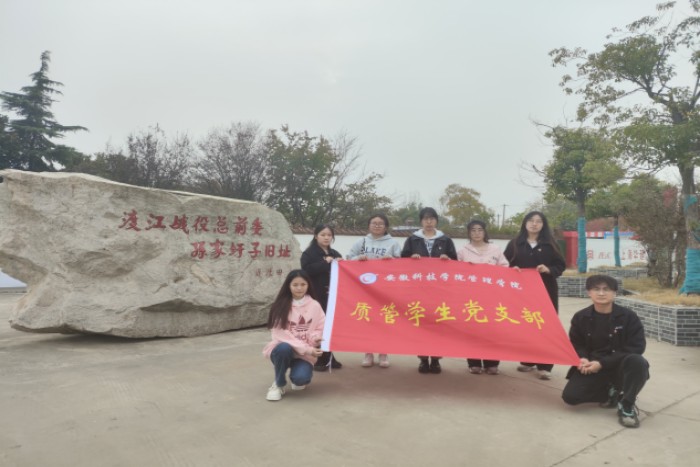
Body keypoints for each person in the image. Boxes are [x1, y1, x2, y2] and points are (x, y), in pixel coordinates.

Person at [562, 275, 649, 428]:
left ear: (614, 293)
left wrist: (602, 363)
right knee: (571, 397)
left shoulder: (628, 317)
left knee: (638, 362)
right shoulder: (581, 317)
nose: (601, 293)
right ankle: (611, 392)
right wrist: (582, 358)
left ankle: (627, 404)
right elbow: (576, 343)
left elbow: (637, 346)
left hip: (619, 365)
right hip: (592, 366)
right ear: (589, 292)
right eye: (596, 289)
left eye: (606, 289)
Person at [504, 211, 565, 380]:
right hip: (521, 293)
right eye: (531, 220)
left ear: (543, 225)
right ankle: (528, 360)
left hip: (545, 291)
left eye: (539, 221)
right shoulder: (515, 243)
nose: (534, 224)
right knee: (526, 325)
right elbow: (504, 263)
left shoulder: (551, 244)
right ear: (525, 223)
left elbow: (560, 265)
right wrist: (512, 269)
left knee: (546, 326)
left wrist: (548, 269)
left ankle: (545, 366)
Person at [401, 207, 458, 374]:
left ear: (436, 221)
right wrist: (411, 259)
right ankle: (423, 359)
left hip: (440, 291)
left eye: (432, 219)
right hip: (419, 290)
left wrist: (447, 259)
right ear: (421, 221)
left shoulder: (445, 240)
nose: (429, 222)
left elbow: (455, 263)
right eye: (426, 219)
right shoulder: (412, 240)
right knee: (421, 324)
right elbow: (402, 261)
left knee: (438, 325)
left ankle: (436, 360)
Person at [347, 213, 401, 368]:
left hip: (385, 289)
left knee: (384, 320)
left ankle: (383, 353)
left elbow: (401, 264)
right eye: (374, 223)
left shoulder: (393, 243)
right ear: (369, 225)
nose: (377, 226)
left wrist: (391, 260)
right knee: (367, 320)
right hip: (365, 289)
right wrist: (358, 258)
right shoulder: (361, 241)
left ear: (386, 226)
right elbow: (349, 258)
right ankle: (368, 352)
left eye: (380, 223)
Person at [262, 269, 325, 401]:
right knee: (284, 347)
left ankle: (297, 376)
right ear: (288, 286)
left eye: (303, 284)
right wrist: (307, 349)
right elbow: (280, 333)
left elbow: (319, 327)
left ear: (308, 285)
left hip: (304, 355)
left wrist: (316, 338)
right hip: (284, 351)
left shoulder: (315, 305)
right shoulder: (280, 305)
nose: (299, 288)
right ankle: (278, 384)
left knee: (300, 380)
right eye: (295, 285)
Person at [457, 219, 509, 375]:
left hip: (492, 297)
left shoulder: (495, 249)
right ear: (469, 233)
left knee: (492, 330)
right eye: (473, 230)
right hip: (471, 298)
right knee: (473, 330)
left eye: (480, 230)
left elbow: (505, 268)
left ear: (485, 232)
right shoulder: (463, 251)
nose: (477, 233)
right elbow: (457, 273)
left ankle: (492, 363)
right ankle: (474, 363)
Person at [301, 224, 343, 371]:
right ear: (316, 236)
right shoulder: (308, 254)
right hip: (316, 295)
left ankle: (328, 356)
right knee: (319, 326)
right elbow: (306, 271)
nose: (326, 238)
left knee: (330, 326)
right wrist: (325, 262)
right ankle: (319, 358)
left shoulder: (335, 253)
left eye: (329, 235)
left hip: (332, 296)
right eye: (323, 235)